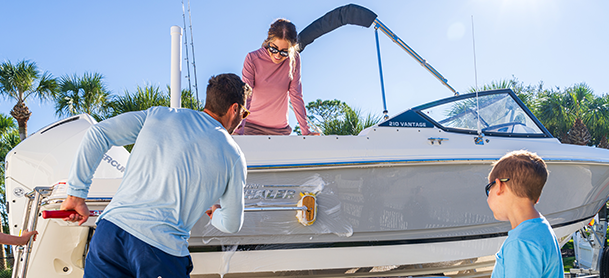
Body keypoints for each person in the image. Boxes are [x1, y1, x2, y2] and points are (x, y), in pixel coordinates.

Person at [60, 73, 252, 277]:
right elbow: (232, 224)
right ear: (234, 109)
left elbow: (97, 134)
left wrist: (75, 195)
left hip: (111, 235)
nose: (242, 120)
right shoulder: (234, 156)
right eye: (244, 113)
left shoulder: (159, 115)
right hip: (160, 252)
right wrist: (216, 215)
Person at [485, 150, 563, 277]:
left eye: (489, 189)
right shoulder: (541, 228)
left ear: (499, 186)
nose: (488, 197)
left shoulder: (520, 242)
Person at [236, 18, 319, 136]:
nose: (277, 55)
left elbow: (296, 95)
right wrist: (238, 130)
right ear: (268, 41)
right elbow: (246, 97)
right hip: (250, 127)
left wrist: (306, 131)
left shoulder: (294, 60)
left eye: (284, 52)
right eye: (273, 48)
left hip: (280, 130)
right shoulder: (252, 59)